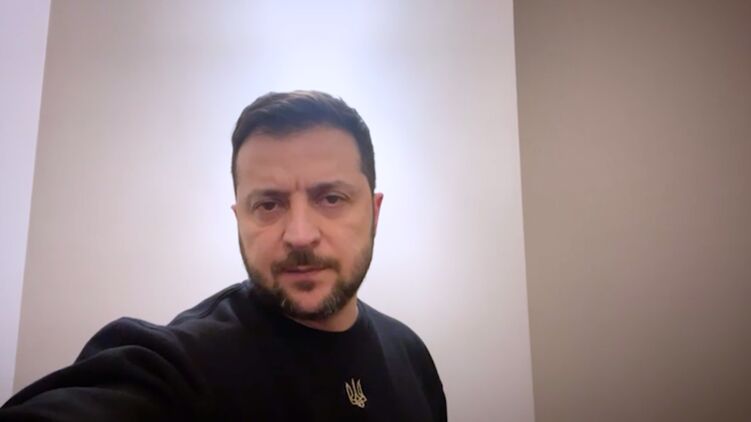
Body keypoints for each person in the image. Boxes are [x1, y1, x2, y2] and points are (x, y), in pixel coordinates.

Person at [0, 90, 447, 421]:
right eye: (268, 204)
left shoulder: (410, 355)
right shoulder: (183, 366)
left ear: (373, 212)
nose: (300, 235)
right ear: (240, 218)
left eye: (331, 198)